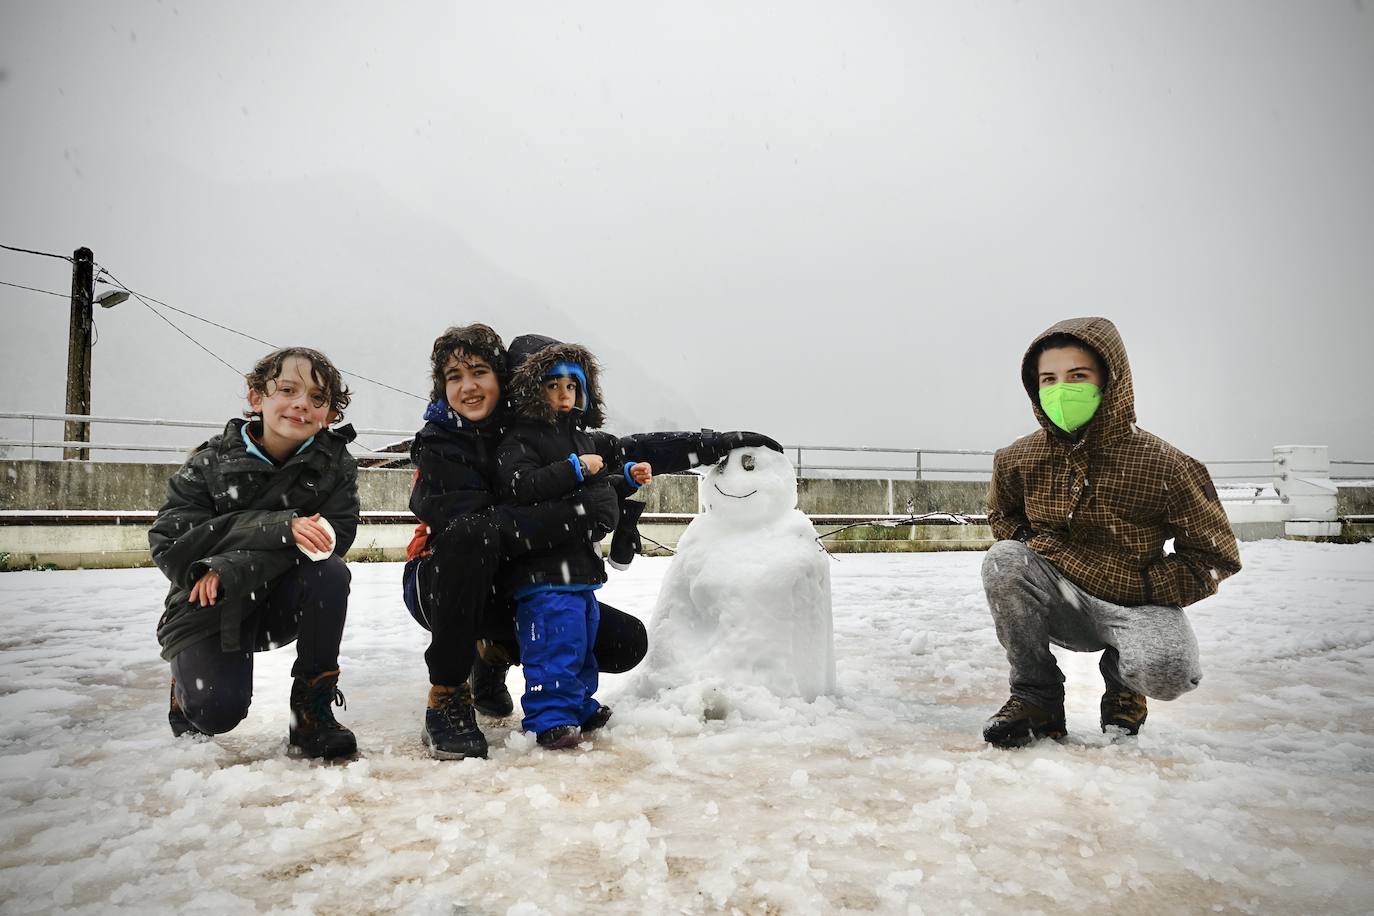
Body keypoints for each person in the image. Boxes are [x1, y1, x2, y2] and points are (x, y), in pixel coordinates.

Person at [402, 323, 782, 760]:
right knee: (475, 534)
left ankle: (494, 651)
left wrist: (714, 445)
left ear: (504, 380)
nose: (468, 387)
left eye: (480, 372)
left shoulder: (535, 427)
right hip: (440, 585)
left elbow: (630, 449)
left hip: (516, 579)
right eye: (455, 377)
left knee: (622, 641)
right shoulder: (442, 443)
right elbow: (491, 528)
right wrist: (588, 510)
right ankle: (447, 694)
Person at [981, 317, 1241, 748]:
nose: (1061, 390)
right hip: (1060, 601)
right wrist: (1037, 548)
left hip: (1138, 603)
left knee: (1171, 669)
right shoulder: (1017, 458)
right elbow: (1002, 516)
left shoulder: (1166, 464)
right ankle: (1036, 696)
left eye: (1077, 376)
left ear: (1110, 380)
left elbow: (1215, 557)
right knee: (1003, 560)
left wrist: (1140, 584)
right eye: (1049, 379)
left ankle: (1124, 683)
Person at [150, 347, 360, 760]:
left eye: (318, 398)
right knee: (216, 713)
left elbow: (332, 537)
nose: (302, 404)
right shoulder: (209, 463)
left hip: (275, 598)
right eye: (287, 389)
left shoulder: (334, 465)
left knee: (329, 572)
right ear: (255, 398)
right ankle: (185, 690)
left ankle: (310, 715)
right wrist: (282, 528)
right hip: (210, 602)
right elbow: (173, 544)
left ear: (330, 415)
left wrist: (231, 564)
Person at [496, 335, 652, 749]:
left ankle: (580, 702)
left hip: (580, 569)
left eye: (572, 386)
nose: (564, 396)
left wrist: (625, 476)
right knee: (553, 641)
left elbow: (597, 481)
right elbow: (522, 485)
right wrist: (573, 469)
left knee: (582, 640)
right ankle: (549, 715)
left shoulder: (582, 438)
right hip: (543, 571)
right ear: (533, 390)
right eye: (553, 386)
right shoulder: (521, 439)